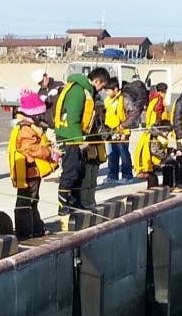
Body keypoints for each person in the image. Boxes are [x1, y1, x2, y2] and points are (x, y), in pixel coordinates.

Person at [54, 67, 110, 215]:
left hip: (78, 136)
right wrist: (79, 140)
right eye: (102, 86)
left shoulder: (87, 91)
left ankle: (75, 201)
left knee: (80, 171)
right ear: (97, 81)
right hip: (68, 137)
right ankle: (63, 205)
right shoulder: (78, 91)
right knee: (70, 170)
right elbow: (73, 118)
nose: (102, 90)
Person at [8, 90, 60, 238]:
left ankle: (35, 227)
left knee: (32, 200)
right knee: (27, 200)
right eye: (39, 114)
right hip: (29, 171)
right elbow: (28, 148)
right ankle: (26, 231)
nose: (40, 117)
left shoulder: (29, 127)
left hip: (33, 171)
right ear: (32, 114)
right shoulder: (26, 129)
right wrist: (48, 152)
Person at [103, 78, 134, 184]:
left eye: (108, 90)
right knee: (112, 154)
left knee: (124, 154)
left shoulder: (125, 99)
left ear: (115, 89)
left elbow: (132, 115)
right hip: (110, 131)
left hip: (122, 131)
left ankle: (127, 175)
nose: (107, 92)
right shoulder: (108, 100)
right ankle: (112, 175)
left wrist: (124, 127)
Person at [133, 120, 174, 188]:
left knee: (154, 178)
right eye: (167, 131)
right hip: (146, 161)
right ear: (162, 130)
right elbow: (155, 150)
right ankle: (169, 186)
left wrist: (171, 150)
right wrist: (166, 156)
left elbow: (159, 148)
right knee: (170, 164)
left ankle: (160, 187)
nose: (167, 134)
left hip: (147, 159)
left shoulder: (154, 133)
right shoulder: (155, 136)